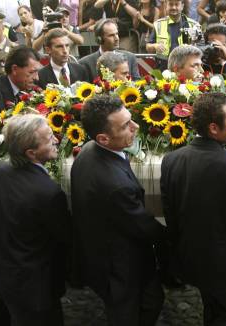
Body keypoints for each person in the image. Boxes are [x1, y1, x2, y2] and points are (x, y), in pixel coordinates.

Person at [161, 92, 226, 325]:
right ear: (214, 128)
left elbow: (170, 211)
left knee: (213, 304)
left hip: (188, 255)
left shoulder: (171, 159)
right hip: (221, 261)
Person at [71, 94, 166, 325]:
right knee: (133, 309)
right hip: (120, 263)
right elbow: (142, 226)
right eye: (125, 126)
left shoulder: (89, 149)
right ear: (103, 138)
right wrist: (170, 236)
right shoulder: (116, 185)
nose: (135, 127)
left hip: (100, 248)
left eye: (131, 119)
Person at [0, 114, 70, 326]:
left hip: (6, 275)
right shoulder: (48, 192)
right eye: (49, 138)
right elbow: (64, 238)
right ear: (31, 153)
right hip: (37, 287)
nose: (56, 141)